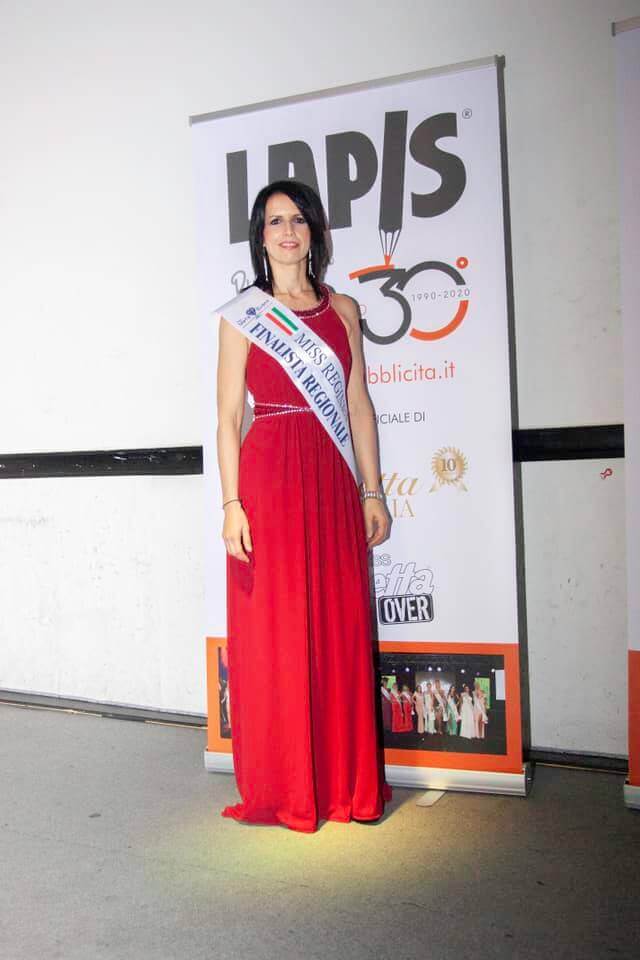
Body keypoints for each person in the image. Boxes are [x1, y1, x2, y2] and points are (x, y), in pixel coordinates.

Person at [216, 179, 392, 832]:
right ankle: (286, 784)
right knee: (278, 632)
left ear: (314, 230)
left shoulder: (344, 309)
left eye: (297, 219)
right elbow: (228, 416)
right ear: (259, 237)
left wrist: (372, 490)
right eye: (274, 221)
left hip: (332, 477)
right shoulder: (243, 315)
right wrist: (231, 503)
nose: (287, 231)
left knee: (337, 627)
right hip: (268, 480)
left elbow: (358, 405)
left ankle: (343, 783)